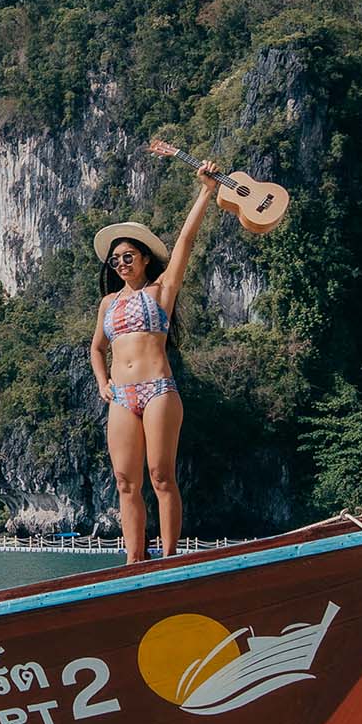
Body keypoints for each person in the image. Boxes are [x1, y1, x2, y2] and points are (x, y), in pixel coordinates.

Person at [89, 142, 222, 561]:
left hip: (158, 389)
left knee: (161, 476)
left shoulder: (162, 292)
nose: (122, 264)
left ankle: (168, 555)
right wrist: (103, 382)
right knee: (125, 481)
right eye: (115, 261)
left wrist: (206, 191)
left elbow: (187, 238)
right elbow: (97, 348)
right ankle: (133, 560)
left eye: (128, 257)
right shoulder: (108, 304)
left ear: (145, 258)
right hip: (122, 396)